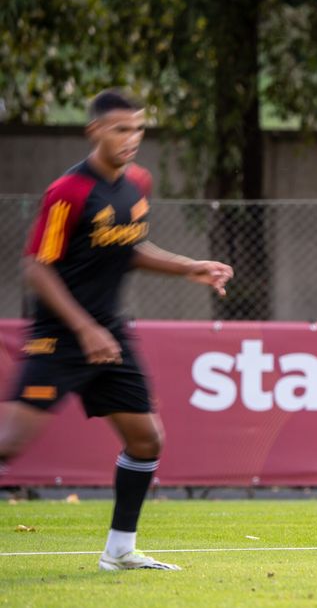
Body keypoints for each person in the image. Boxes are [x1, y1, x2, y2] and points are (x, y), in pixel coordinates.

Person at [0, 89, 233, 571]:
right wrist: (84, 330)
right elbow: (36, 270)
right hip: (61, 336)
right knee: (9, 443)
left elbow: (129, 248)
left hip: (108, 332)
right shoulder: (68, 192)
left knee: (147, 439)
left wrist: (189, 267)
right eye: (121, 129)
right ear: (95, 132)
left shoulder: (137, 184)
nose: (132, 139)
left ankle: (120, 551)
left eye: (139, 129)